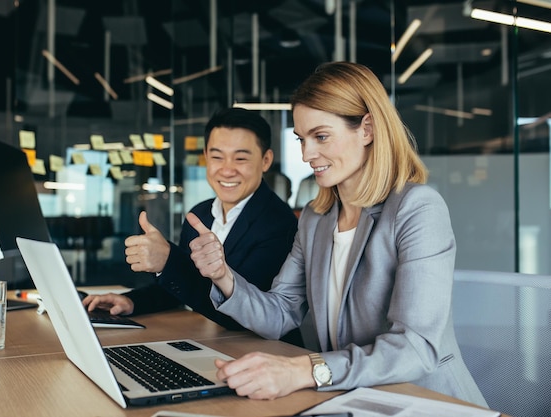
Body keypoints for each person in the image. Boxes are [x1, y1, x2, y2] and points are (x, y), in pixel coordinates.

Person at [185, 62, 488, 406]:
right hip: (349, 397)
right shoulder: (316, 218)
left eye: (321, 136)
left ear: (367, 129)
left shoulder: (417, 208)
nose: (306, 154)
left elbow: (415, 348)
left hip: (421, 399)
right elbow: (281, 312)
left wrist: (305, 370)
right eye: (302, 139)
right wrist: (223, 276)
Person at [82, 107, 300, 339]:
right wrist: (131, 301)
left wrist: (168, 261)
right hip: (206, 339)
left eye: (240, 158)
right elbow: (179, 288)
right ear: (205, 156)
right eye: (217, 157)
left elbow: (243, 314)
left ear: (266, 160)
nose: (227, 170)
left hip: (255, 352)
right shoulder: (201, 214)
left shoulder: (279, 224)